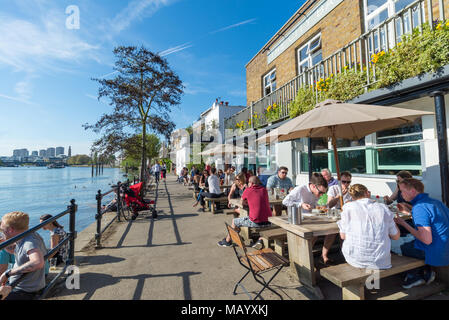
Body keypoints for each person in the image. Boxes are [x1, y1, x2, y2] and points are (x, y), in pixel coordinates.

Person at [392, 178, 449, 289]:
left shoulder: (419, 208)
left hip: (437, 252)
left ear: (413, 191)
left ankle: (415, 275)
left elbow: (426, 239)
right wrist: (409, 213)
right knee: (408, 239)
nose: (401, 194)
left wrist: (403, 223)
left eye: (402, 191)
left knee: (393, 244)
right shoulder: (435, 202)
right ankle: (426, 272)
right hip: (445, 246)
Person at [337, 184, 400, 269]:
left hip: (355, 259)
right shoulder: (383, 208)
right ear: (367, 193)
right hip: (381, 261)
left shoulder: (348, 207)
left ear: (352, 197)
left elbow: (343, 236)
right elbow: (396, 236)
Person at [282, 172, 336, 265]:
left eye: (324, 193)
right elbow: (285, 201)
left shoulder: (317, 191)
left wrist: (321, 206)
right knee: (313, 235)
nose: (321, 195)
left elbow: (318, 203)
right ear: (314, 186)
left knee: (332, 231)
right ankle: (303, 260)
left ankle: (319, 256)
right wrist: (301, 204)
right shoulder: (300, 189)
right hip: (298, 219)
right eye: (320, 192)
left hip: (311, 217)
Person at [0, 211, 47, 300]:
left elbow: (37, 262)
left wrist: (8, 273)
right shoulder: (30, 234)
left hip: (24, 291)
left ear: (10, 229)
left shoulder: (29, 242)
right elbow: (20, 251)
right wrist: (5, 243)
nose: (1, 232)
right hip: (23, 286)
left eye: (2, 230)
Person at [218, 176, 272, 249]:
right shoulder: (264, 190)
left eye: (249, 183)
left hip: (256, 222)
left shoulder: (248, 190)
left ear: (251, 183)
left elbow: (242, 202)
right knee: (247, 218)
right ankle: (258, 240)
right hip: (268, 221)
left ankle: (227, 241)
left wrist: (248, 202)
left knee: (235, 221)